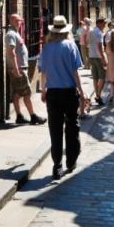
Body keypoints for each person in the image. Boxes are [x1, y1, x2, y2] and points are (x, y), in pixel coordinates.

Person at [38, 15, 86, 180]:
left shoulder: (47, 48)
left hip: (53, 93)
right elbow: (75, 72)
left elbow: (43, 72)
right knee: (72, 126)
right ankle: (71, 161)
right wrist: (81, 90)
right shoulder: (71, 46)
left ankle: (57, 166)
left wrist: (43, 90)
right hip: (69, 91)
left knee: (55, 129)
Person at [5, 14, 46, 125]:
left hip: (19, 68)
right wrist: (16, 69)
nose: (20, 23)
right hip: (19, 68)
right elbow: (11, 52)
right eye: (18, 21)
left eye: (20, 21)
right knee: (26, 93)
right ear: (12, 20)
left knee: (17, 93)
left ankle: (19, 116)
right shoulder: (11, 34)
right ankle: (33, 117)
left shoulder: (15, 33)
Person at [87, 18, 107, 106]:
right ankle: (98, 95)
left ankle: (97, 94)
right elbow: (100, 47)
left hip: (91, 56)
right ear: (99, 23)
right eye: (104, 24)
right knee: (103, 77)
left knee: (95, 78)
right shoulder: (99, 33)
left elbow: (88, 43)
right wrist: (103, 59)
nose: (105, 25)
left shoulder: (91, 31)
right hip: (98, 57)